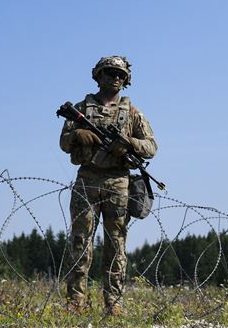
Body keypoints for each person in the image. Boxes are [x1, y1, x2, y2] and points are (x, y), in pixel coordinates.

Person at [59, 56, 157, 316]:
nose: (115, 78)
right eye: (109, 73)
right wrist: (77, 135)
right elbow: (64, 142)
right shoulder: (81, 108)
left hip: (118, 182)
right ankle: (75, 302)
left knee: (116, 245)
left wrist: (129, 143)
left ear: (126, 81)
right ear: (98, 76)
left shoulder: (133, 114)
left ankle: (113, 304)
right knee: (80, 243)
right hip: (87, 179)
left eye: (120, 75)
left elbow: (151, 147)